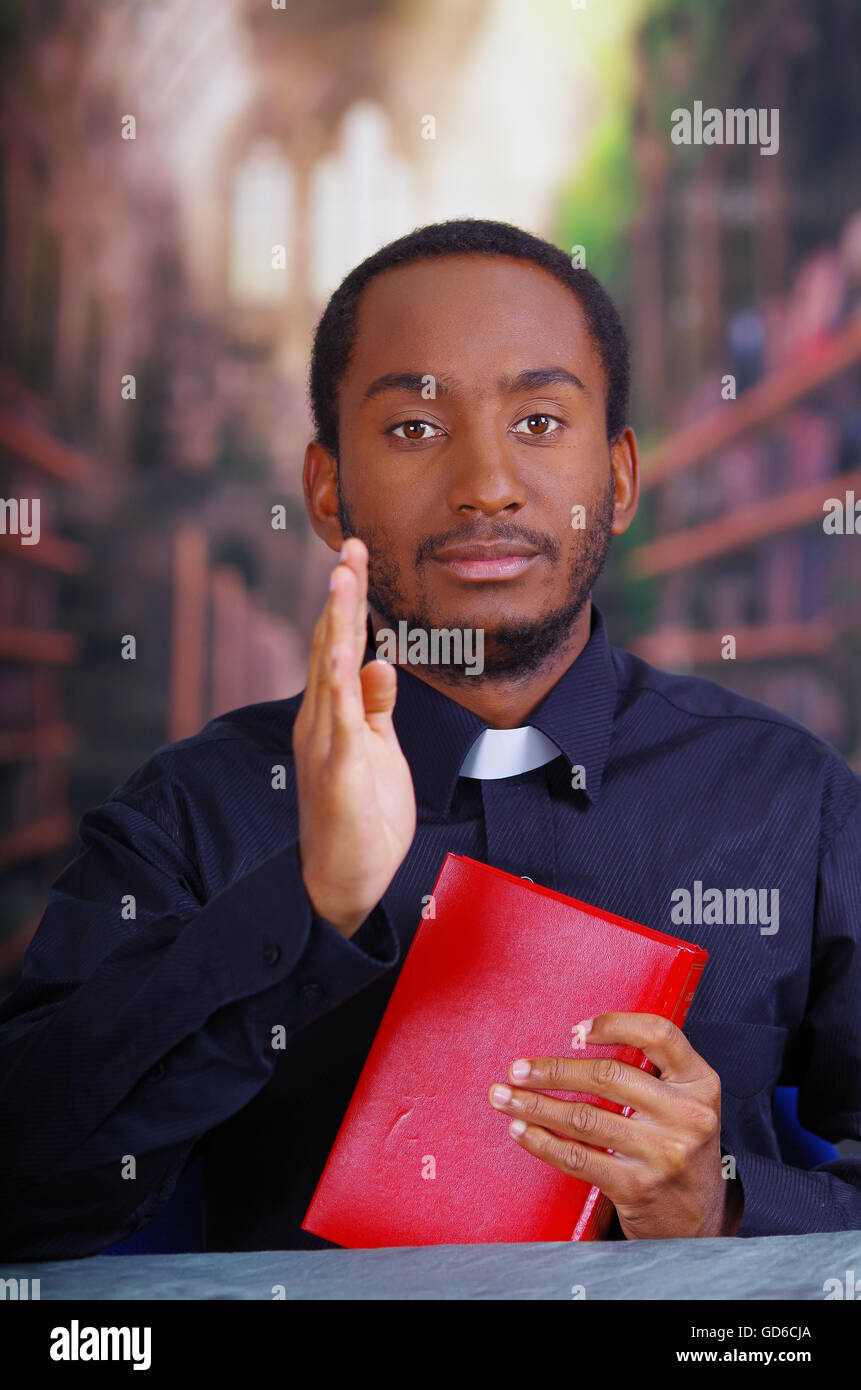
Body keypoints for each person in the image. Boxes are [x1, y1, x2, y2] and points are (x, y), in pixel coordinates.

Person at [1, 220, 859, 1259]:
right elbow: (25, 1191)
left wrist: (721, 1206)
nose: (485, 483)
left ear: (622, 480)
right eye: (414, 427)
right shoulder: (193, 811)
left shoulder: (790, 801)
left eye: (540, 419)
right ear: (327, 490)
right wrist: (304, 907)